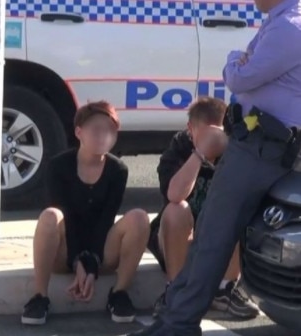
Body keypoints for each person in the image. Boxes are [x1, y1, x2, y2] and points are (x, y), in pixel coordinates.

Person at [130, 0, 301, 334]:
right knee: (210, 230)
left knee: (213, 237)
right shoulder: (280, 21)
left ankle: (178, 323)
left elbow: (240, 77)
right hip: (255, 141)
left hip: (261, 145)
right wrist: (241, 63)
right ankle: (172, 319)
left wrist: (233, 60)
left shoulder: (289, 27)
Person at [21, 100, 151, 326]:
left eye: (110, 131)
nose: (104, 136)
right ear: (79, 132)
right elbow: (66, 218)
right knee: (50, 216)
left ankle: (119, 293)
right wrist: (76, 261)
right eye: (97, 129)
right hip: (63, 250)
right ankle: (40, 296)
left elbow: (105, 220)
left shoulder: (117, 169)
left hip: (102, 249)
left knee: (139, 217)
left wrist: (91, 264)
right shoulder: (58, 166)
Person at [147, 97, 259, 319]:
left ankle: (224, 289)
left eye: (215, 133)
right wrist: (200, 154)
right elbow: (174, 194)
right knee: (176, 209)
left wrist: (228, 149)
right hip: (177, 241)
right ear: (190, 129)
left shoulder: (235, 149)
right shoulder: (178, 149)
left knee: (239, 201)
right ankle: (175, 290)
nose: (212, 139)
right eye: (204, 133)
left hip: (214, 243)